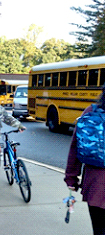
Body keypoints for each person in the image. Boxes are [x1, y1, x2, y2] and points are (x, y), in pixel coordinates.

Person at [64, 86, 105, 235]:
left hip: (96, 186)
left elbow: (75, 147)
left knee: (100, 230)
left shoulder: (91, 112)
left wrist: (71, 178)